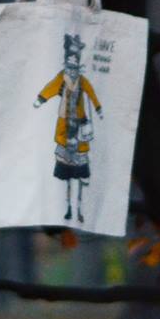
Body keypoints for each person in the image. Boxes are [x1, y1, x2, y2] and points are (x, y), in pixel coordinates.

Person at [34, 33, 102, 222]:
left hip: (79, 126)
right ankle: (68, 208)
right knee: (67, 175)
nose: (72, 65)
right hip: (64, 126)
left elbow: (92, 93)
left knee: (79, 173)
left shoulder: (82, 80)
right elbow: (51, 87)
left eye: (74, 61)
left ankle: (80, 207)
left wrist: (97, 108)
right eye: (69, 61)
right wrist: (41, 98)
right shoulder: (62, 78)